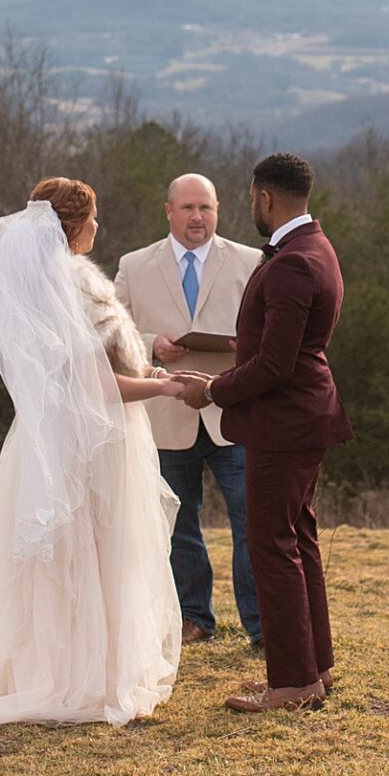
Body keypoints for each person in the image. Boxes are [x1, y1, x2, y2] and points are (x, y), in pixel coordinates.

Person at [0, 178, 191, 728]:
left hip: (63, 437)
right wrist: (165, 389)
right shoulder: (71, 287)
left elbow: (110, 367)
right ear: (74, 226)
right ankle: (79, 674)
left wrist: (153, 372)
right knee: (92, 554)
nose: (98, 228)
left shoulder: (53, 286)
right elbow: (97, 385)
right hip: (93, 443)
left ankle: (60, 664)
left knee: (70, 557)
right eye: (94, 218)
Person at [172, 152, 350, 713]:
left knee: (272, 544)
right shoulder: (314, 247)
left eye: (251, 197)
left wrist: (213, 390)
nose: (252, 205)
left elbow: (275, 364)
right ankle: (315, 665)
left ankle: (294, 683)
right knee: (297, 539)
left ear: (265, 198)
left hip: (284, 422)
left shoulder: (295, 262)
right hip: (301, 416)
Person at [114, 173, 264, 651]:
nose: (198, 217)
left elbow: (270, 329)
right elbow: (107, 337)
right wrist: (150, 344)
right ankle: (194, 618)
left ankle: (262, 624)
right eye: (188, 208)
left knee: (253, 521)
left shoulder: (251, 261)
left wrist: (247, 345)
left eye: (207, 208)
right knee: (179, 525)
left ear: (218, 210)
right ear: (168, 211)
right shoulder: (134, 266)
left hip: (233, 412)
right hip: (167, 415)